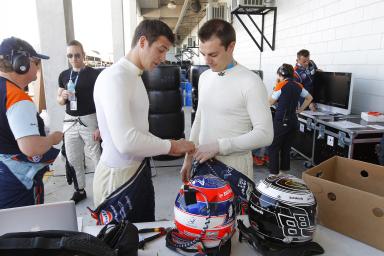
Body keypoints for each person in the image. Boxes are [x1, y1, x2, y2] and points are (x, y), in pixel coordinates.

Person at [93, 20, 195, 222]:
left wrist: (170, 146)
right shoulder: (115, 78)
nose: (163, 58)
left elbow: (139, 130)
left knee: (142, 236)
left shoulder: (135, 77)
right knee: (119, 244)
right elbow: (125, 141)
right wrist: (171, 146)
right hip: (117, 177)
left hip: (138, 169)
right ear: (142, 42)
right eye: (160, 50)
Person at [180, 19, 274, 181]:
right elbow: (199, 120)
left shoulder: (250, 81)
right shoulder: (205, 77)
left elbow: (265, 134)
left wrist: (220, 146)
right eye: (203, 54)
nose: (207, 61)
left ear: (231, 47)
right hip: (203, 163)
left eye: (213, 54)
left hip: (234, 167)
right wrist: (188, 158)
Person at [0, 37, 63, 209]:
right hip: (18, 184)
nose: (38, 67)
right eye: (36, 62)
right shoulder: (17, 97)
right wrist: (52, 138)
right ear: (21, 63)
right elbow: (31, 147)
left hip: (4, 177)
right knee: (23, 232)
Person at [57, 40, 101, 204]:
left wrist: (101, 126)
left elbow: (103, 101)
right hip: (69, 121)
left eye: (77, 55)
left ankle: (101, 188)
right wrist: (63, 97)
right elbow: (59, 100)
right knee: (73, 158)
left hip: (89, 120)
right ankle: (79, 189)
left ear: (83, 55)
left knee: (96, 156)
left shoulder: (94, 74)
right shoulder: (63, 75)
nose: (74, 58)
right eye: (70, 55)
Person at [268, 64, 313, 176]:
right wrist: (300, 110)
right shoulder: (298, 85)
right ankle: (284, 173)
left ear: (281, 74)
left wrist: (276, 85)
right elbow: (309, 98)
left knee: (273, 147)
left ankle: (273, 174)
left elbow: (269, 102)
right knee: (286, 147)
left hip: (281, 120)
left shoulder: (281, 85)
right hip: (294, 120)